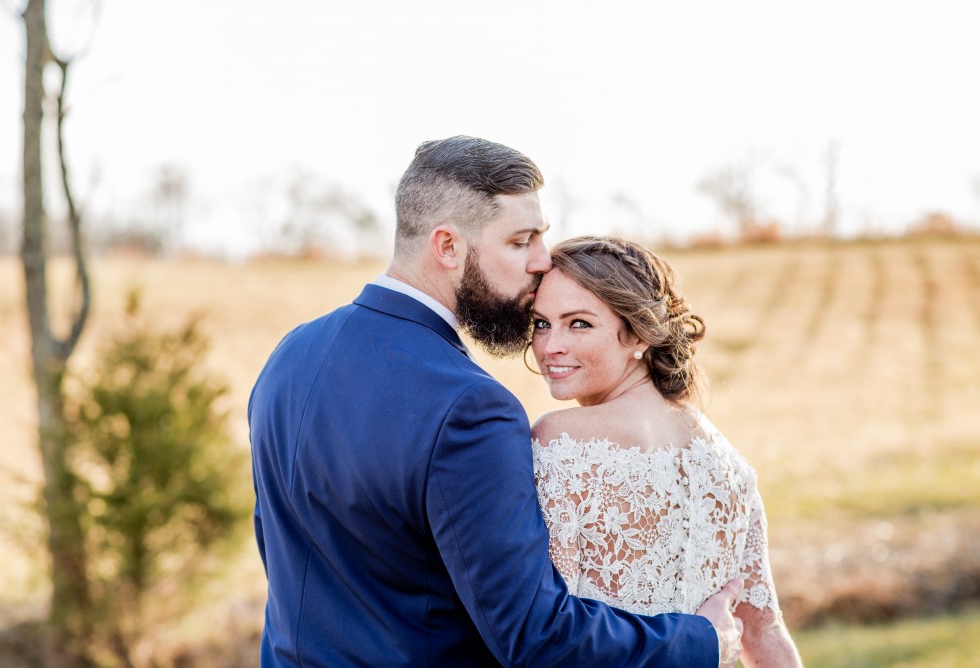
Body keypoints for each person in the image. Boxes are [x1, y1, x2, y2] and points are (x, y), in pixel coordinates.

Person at [249, 136, 744, 666]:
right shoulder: (470, 407)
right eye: (520, 240)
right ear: (447, 246)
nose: (541, 261)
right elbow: (535, 636)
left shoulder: (289, 357)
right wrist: (698, 641)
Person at [528, 235, 803, 667]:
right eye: (541, 323)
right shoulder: (729, 464)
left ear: (639, 333)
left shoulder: (559, 441)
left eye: (578, 323)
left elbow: (546, 632)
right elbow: (765, 633)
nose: (550, 346)